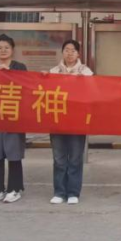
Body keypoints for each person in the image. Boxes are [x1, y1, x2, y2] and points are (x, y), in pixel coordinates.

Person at [47, 40, 93, 205]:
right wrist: (42, 79)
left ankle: (73, 192)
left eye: (73, 50)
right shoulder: (53, 72)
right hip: (57, 119)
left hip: (77, 121)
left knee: (75, 158)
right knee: (59, 158)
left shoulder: (86, 72)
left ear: (78, 53)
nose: (69, 53)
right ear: (62, 52)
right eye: (66, 50)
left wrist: (83, 82)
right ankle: (59, 192)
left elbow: (92, 94)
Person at [0, 34, 28, 204]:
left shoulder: (20, 67)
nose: (3, 50)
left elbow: (25, 87)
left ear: (12, 50)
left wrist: (8, 74)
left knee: (13, 154)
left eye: (6, 48)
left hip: (13, 117)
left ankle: (14, 189)